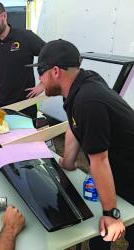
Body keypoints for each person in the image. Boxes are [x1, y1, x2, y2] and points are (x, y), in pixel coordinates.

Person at [28, 39, 134, 249]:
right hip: (117, 171)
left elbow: (99, 159)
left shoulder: (88, 100)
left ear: (55, 71)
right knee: (99, 234)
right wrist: (67, 162)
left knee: (123, 229)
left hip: (129, 174)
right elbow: (73, 126)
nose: (39, 78)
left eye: (41, 71)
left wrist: (111, 213)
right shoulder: (81, 84)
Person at [0, 0, 45, 119]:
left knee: (27, 137)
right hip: (1, 105)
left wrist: (43, 85)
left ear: (4, 16)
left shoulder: (25, 37)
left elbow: (51, 55)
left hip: (26, 104)